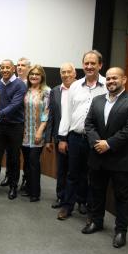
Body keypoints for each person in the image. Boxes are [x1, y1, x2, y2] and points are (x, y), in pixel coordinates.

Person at [82, 67, 128, 248]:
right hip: (98, 156)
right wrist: (97, 143)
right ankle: (96, 221)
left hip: (120, 159)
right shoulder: (97, 100)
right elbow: (89, 124)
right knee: (96, 192)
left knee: (121, 197)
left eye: (114, 78)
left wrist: (108, 144)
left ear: (124, 80)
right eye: (108, 79)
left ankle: (120, 231)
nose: (110, 81)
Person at [57, 50, 107, 220]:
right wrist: (63, 138)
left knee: (92, 175)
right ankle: (67, 206)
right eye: (86, 63)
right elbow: (67, 114)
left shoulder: (108, 86)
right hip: (75, 137)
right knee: (72, 174)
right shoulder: (75, 86)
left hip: (96, 140)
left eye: (93, 63)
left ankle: (86, 205)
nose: (89, 66)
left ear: (100, 65)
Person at [0, 59, 27, 200]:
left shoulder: (20, 84)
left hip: (15, 126)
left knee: (14, 158)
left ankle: (13, 186)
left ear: (13, 69)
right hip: (0, 126)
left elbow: (15, 104)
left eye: (7, 67)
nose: (5, 70)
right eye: (2, 67)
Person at [45, 63, 76, 208]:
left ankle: (80, 201)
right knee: (62, 169)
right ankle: (61, 197)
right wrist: (48, 139)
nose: (66, 74)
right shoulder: (55, 91)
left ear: (74, 73)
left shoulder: (81, 89)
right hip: (59, 137)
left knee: (77, 170)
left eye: (69, 72)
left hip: (77, 137)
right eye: (63, 72)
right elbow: (51, 116)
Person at [21, 65, 50, 202]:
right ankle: (27, 188)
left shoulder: (46, 92)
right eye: (32, 74)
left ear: (42, 76)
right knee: (26, 162)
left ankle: (35, 192)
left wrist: (40, 131)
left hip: (38, 133)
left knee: (34, 162)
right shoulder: (25, 90)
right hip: (25, 133)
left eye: (37, 74)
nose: (34, 76)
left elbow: (46, 113)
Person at [1, 57, 31, 188]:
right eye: (18, 65)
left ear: (29, 68)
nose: (20, 67)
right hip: (7, 123)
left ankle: (26, 179)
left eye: (23, 65)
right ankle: (9, 175)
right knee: (10, 153)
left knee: (23, 155)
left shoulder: (31, 83)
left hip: (24, 124)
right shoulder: (4, 83)